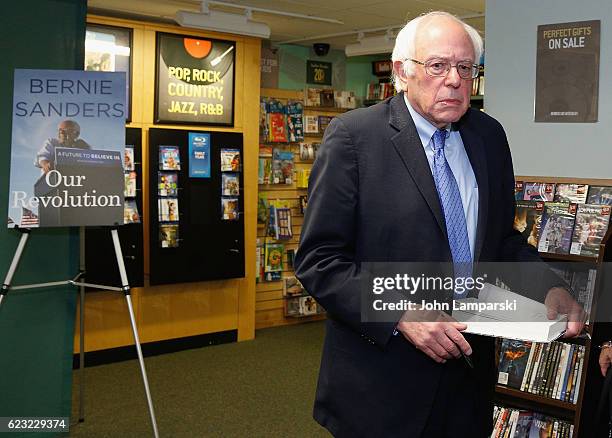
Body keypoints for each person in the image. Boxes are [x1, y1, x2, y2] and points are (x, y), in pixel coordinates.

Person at [294, 11, 584, 438]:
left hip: (469, 376)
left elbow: (502, 238)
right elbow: (320, 261)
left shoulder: (488, 136)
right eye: (438, 66)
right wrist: (401, 312)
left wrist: (549, 286)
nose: (454, 80)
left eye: (466, 68)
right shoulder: (355, 139)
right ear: (402, 72)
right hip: (384, 384)